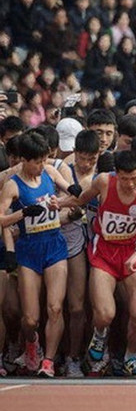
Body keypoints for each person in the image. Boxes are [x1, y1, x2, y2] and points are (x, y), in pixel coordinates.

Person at [66, 150, 136, 378]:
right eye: (125, 179)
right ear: (116, 174)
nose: (131, 184)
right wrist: (60, 203)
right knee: (105, 314)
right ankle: (99, 335)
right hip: (104, 251)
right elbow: (80, 200)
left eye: (135, 178)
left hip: (132, 251)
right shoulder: (104, 182)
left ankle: (131, 358)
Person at [0, 132, 75, 377]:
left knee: (55, 307)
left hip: (54, 244)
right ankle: (32, 344)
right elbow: (1, 219)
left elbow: (73, 193)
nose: (42, 166)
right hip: (29, 249)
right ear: (23, 160)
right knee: (30, 318)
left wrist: (61, 202)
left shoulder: (50, 173)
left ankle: (49, 361)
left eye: (45, 160)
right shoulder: (12, 184)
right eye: (37, 162)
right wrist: (23, 214)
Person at [62, 130, 101, 377]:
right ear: (75, 153)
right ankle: (71, 357)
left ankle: (99, 354)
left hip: (101, 243)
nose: (86, 164)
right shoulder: (65, 170)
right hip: (73, 241)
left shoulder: (104, 174)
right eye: (82, 158)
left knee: (99, 306)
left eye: (92, 159)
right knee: (75, 306)